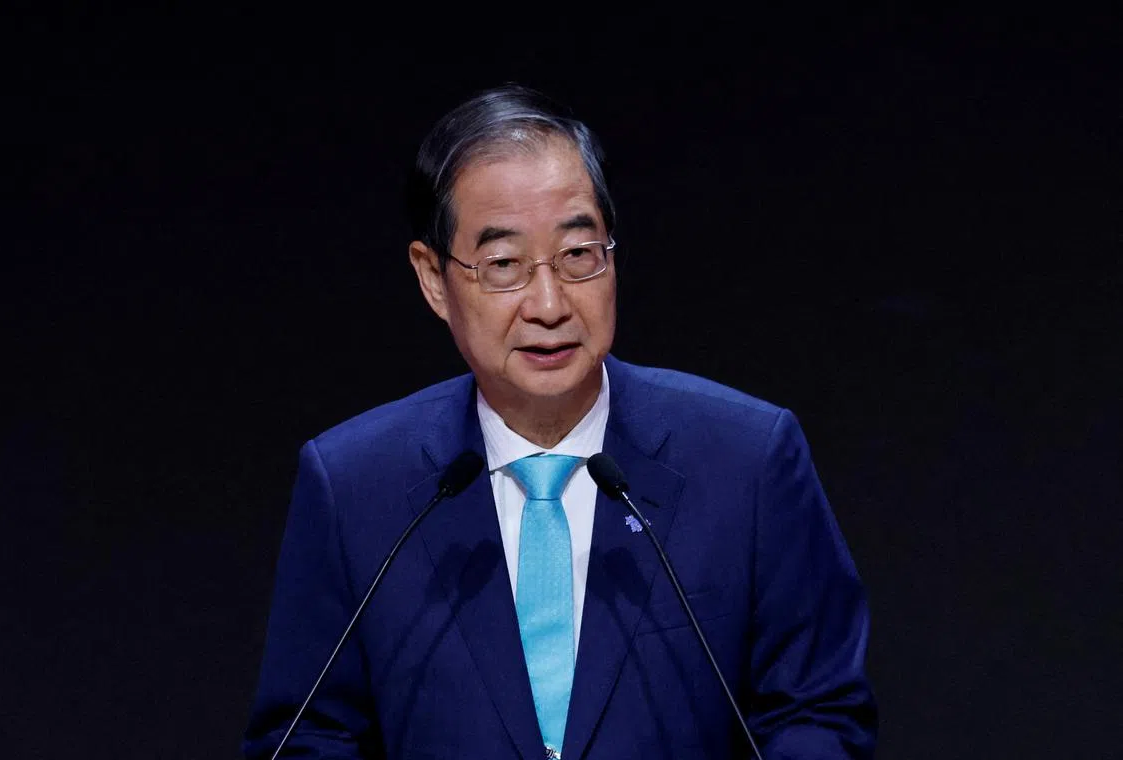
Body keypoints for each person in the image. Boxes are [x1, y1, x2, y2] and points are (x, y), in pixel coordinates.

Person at [244, 84, 876, 759]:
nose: (549, 304)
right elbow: (309, 736)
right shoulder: (353, 485)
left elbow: (818, 714)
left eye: (578, 256)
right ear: (434, 279)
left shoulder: (747, 459)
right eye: (505, 265)